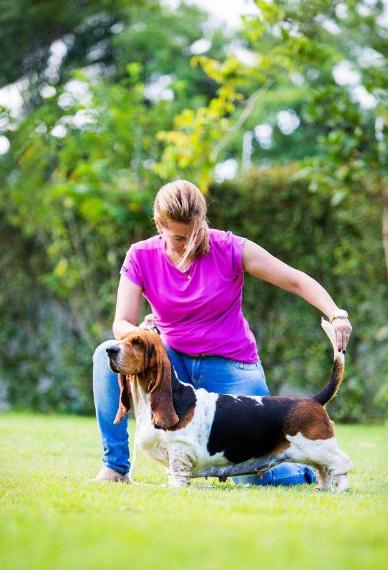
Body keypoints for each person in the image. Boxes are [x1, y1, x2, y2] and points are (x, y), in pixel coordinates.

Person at [93, 179, 352, 485]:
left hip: (232, 366)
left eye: (194, 234)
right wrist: (139, 332)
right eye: (178, 238)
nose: (189, 245)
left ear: (201, 221)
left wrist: (336, 314)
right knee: (107, 352)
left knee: (255, 478)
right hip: (174, 364)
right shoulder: (140, 255)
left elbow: (295, 280)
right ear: (159, 225)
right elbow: (121, 321)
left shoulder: (230, 248)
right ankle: (115, 467)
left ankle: (306, 469)